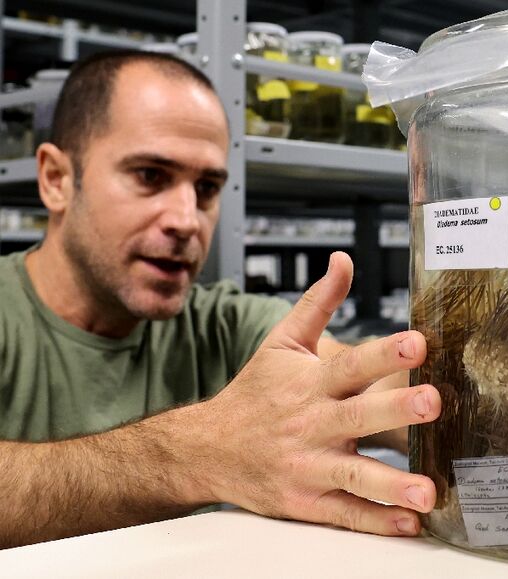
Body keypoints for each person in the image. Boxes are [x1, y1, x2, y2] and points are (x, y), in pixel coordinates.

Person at [0, 50, 441, 549]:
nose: (188, 219)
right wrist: (197, 453)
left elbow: (355, 379)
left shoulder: (222, 324)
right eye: (150, 175)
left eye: (207, 187)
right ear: (57, 180)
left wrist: (469, 387)